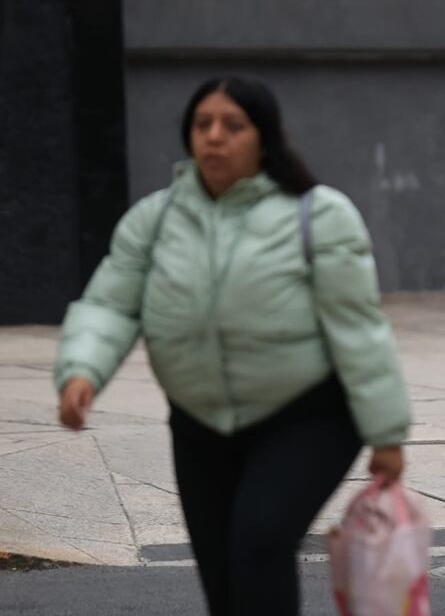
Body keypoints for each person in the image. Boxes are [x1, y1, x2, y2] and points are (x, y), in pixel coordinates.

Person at [54, 77, 411, 616]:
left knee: (261, 541)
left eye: (232, 125)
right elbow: (111, 304)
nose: (214, 137)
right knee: (223, 581)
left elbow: (358, 328)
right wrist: (82, 370)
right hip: (200, 424)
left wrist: (385, 434)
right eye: (202, 125)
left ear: (263, 138)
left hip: (307, 416)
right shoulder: (156, 219)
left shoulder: (320, 215)